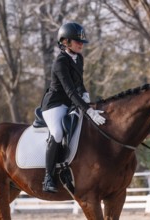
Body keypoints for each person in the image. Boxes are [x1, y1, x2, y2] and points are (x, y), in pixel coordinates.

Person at [40, 22, 106, 193]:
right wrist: (88, 110)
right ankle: (48, 177)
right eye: (77, 41)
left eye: (82, 41)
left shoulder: (79, 58)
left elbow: (79, 85)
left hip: (70, 102)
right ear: (65, 42)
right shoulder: (60, 62)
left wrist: (87, 98)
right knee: (57, 133)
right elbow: (69, 90)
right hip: (54, 104)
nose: (81, 44)